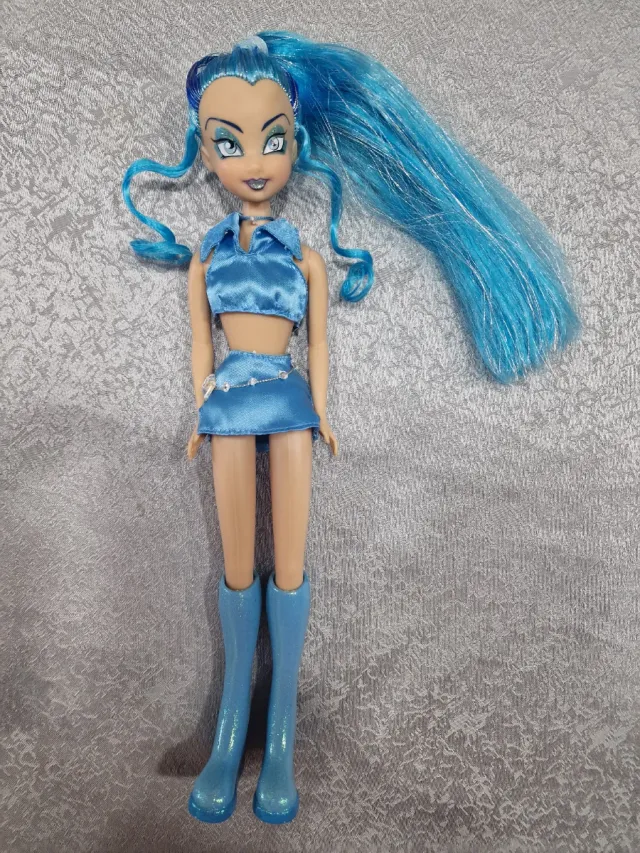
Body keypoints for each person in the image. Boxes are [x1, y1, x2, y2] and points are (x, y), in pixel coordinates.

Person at [122, 31, 580, 825]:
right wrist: (200, 407)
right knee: (238, 569)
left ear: (296, 143)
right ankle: (230, 729)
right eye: (228, 142)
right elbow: (201, 340)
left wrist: (324, 412)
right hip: (228, 407)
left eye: (272, 139)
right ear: (203, 148)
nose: (253, 160)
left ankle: (281, 734)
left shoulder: (305, 256)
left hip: (291, 406)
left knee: (290, 567)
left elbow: (319, 344)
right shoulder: (207, 254)